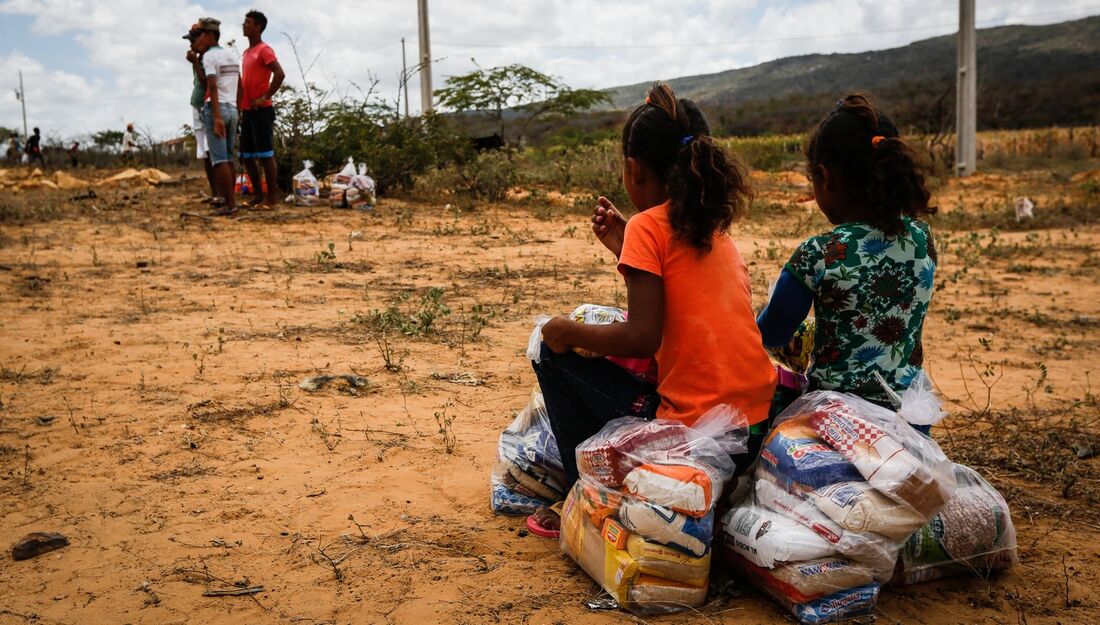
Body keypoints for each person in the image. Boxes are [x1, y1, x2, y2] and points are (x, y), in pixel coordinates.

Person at [528, 83, 778, 533]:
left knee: (550, 353)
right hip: (756, 426)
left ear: (633, 168)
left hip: (694, 430)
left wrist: (563, 330)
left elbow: (642, 336)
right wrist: (627, 246)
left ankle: (578, 494)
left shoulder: (648, 226)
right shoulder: (715, 232)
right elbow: (686, 307)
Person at [755, 93, 938, 434]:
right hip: (911, 422)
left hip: (836, 424)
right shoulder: (922, 239)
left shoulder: (820, 253)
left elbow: (773, 331)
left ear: (825, 177)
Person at [193, 17, 241, 216]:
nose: (198, 40)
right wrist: (237, 110)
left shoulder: (209, 57)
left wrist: (217, 117)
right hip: (232, 108)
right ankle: (230, 202)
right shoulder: (231, 56)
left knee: (219, 160)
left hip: (217, 110)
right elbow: (240, 84)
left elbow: (211, 85)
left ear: (210, 36)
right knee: (229, 159)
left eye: (201, 35)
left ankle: (230, 205)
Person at [239, 10, 284, 208]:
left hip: (262, 111)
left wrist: (265, 97)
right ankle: (258, 195)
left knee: (266, 155)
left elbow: (280, 74)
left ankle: (271, 199)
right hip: (247, 111)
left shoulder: (264, 50)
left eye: (248, 22)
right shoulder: (246, 52)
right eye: (244, 22)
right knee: (247, 156)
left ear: (258, 27)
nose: (244, 25)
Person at [183, 22, 220, 205]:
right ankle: (215, 192)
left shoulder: (209, 58)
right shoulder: (200, 57)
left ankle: (220, 193)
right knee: (204, 153)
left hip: (207, 107)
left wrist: (196, 63)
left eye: (193, 39)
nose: (191, 44)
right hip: (197, 105)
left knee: (212, 152)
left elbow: (208, 84)